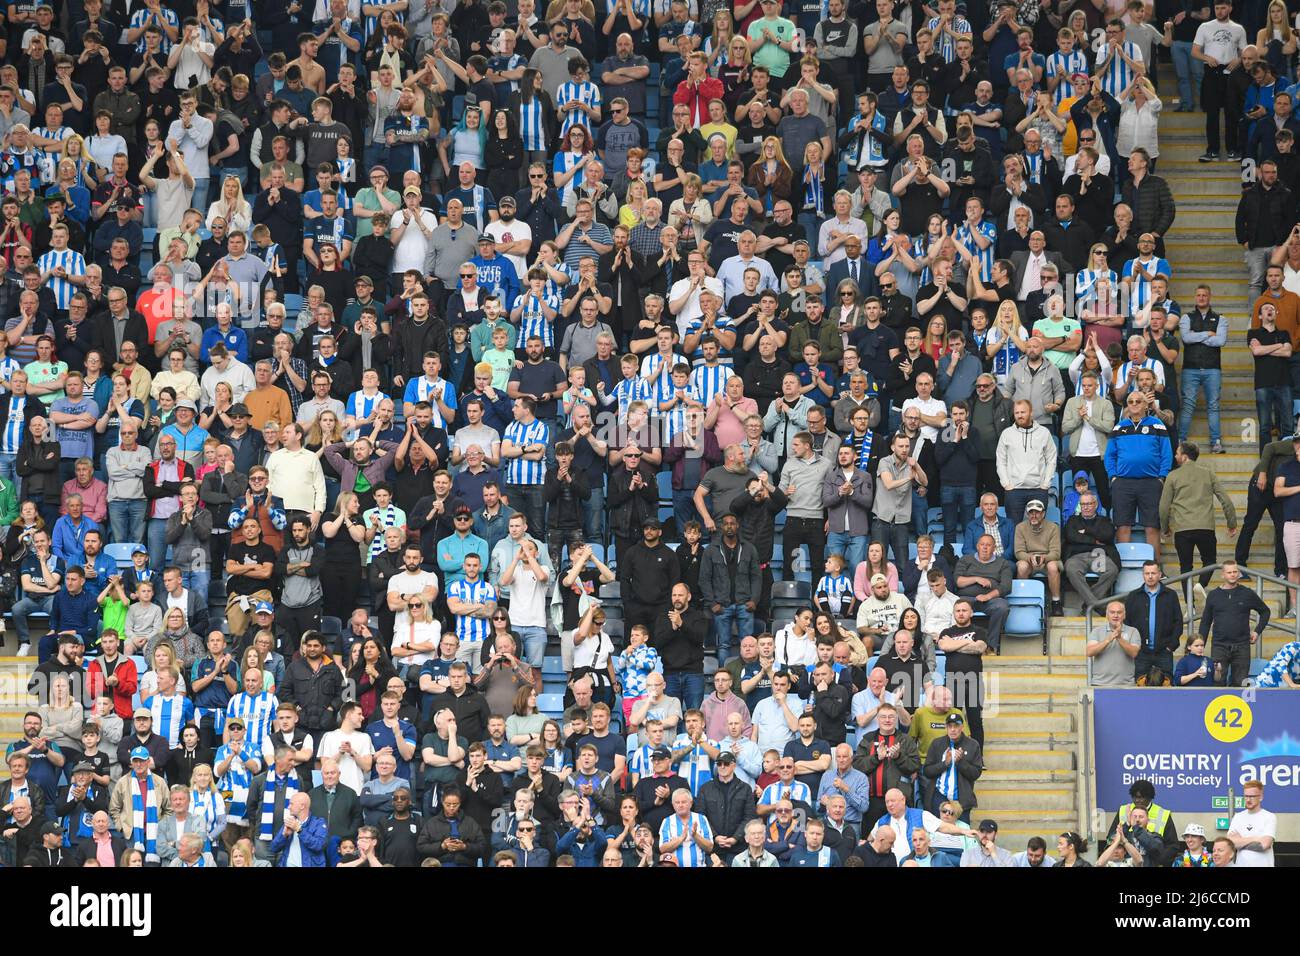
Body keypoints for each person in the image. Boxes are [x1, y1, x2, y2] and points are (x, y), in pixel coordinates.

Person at [1198, 561, 1270, 687]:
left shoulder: (1247, 593)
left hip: (1242, 646)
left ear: (1239, 573)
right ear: (1222, 575)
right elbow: (1205, 621)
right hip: (1219, 646)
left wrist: (1257, 631)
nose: (1232, 575)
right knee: (1217, 683)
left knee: (1240, 684)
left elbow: (1265, 611)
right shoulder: (1213, 595)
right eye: (1229, 572)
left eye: (1235, 572)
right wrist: (1200, 643)